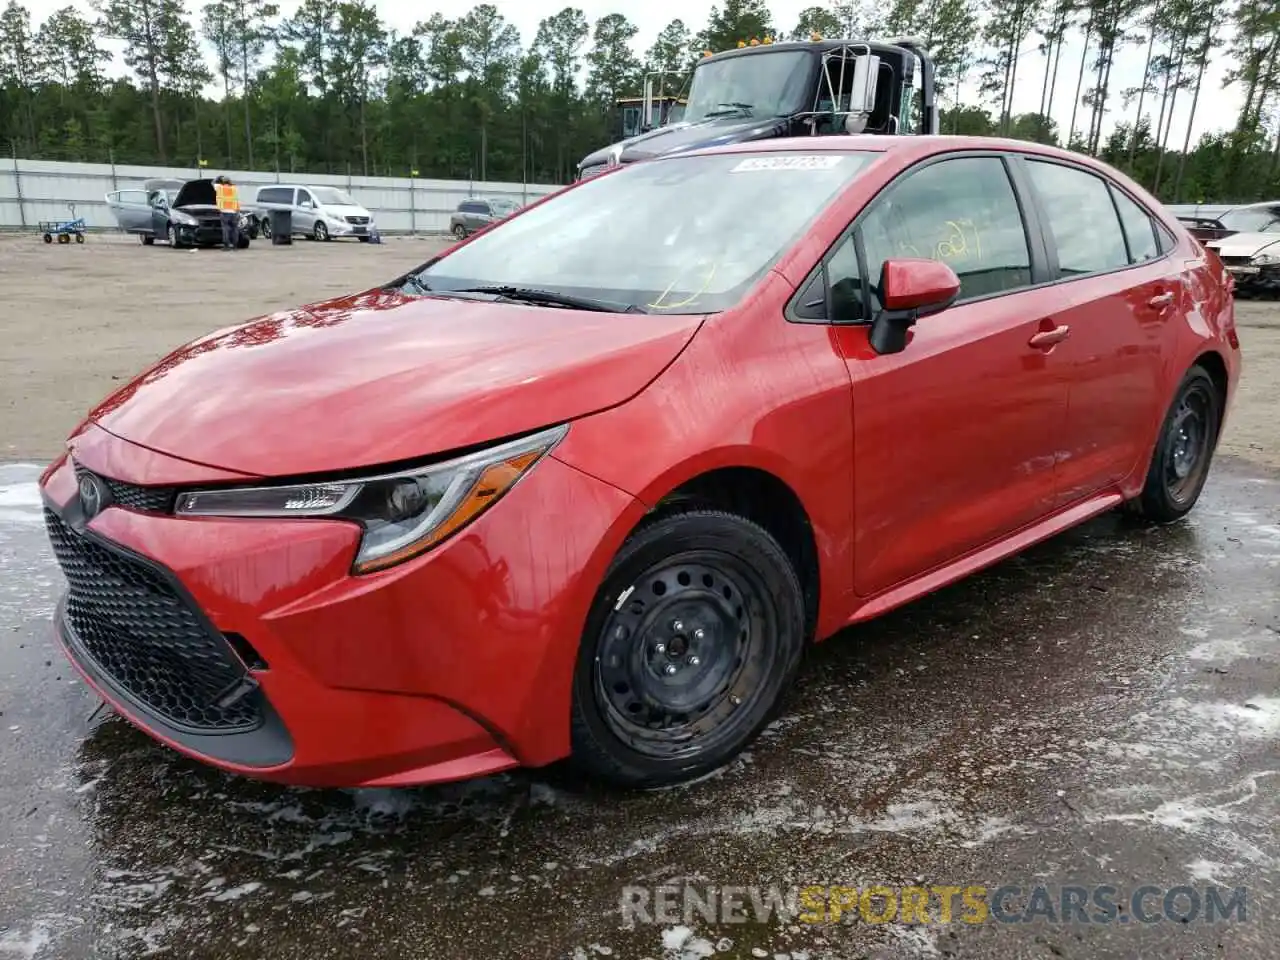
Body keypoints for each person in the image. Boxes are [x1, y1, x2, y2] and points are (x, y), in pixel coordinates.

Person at [215, 175, 240, 250]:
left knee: (225, 229)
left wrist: (219, 177)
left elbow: (213, 182)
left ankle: (226, 246)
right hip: (234, 212)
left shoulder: (220, 188)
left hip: (224, 212)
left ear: (222, 182)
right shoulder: (234, 189)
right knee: (235, 229)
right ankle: (235, 246)